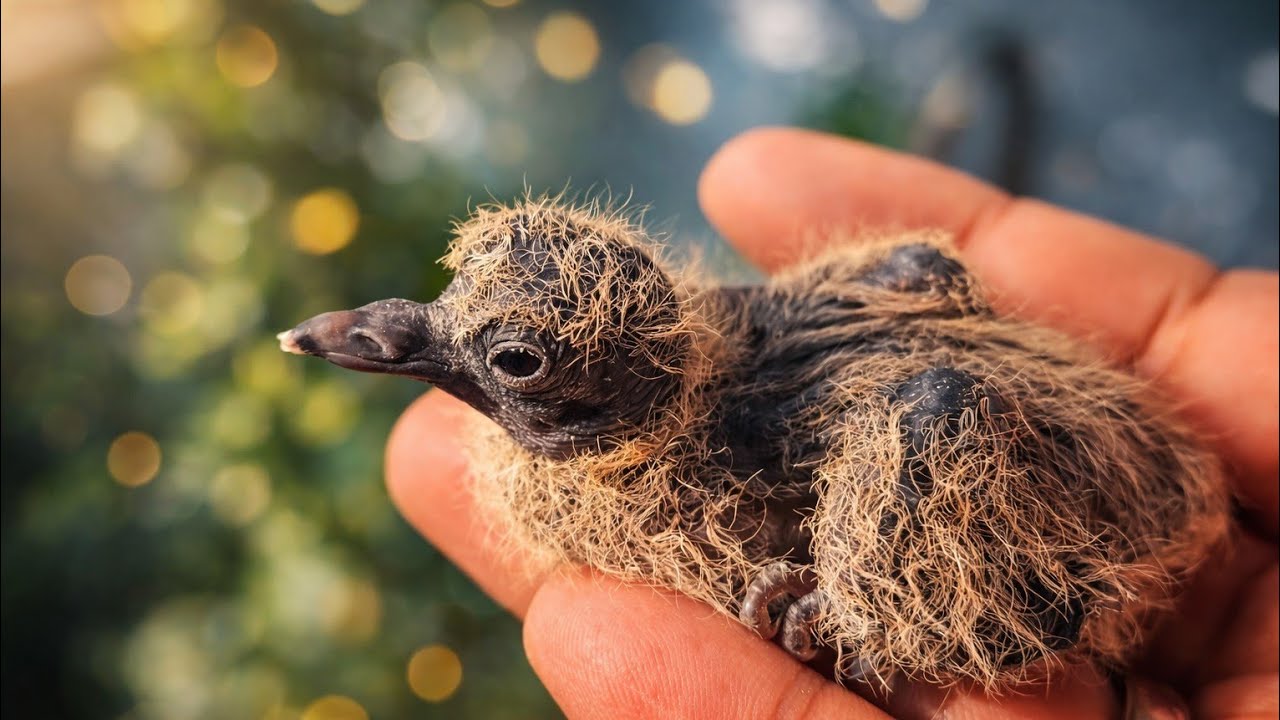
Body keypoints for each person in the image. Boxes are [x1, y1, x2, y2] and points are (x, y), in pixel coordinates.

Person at [385, 128, 1279, 719]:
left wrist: (855, 608)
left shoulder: (673, 485)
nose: (387, 327)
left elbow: (925, 403)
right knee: (921, 367)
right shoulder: (705, 325)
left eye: (516, 363)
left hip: (1081, 512)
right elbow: (919, 274)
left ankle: (951, 606)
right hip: (1093, 451)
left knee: (924, 434)